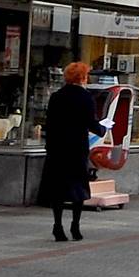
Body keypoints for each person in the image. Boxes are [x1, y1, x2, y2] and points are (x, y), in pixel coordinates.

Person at [43, 62, 99, 241]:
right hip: (77, 148)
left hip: (57, 148)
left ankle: (57, 226)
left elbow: (50, 123)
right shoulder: (86, 97)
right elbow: (91, 123)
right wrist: (103, 129)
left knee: (58, 188)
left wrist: (49, 146)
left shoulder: (56, 97)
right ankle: (75, 226)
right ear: (82, 78)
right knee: (78, 188)